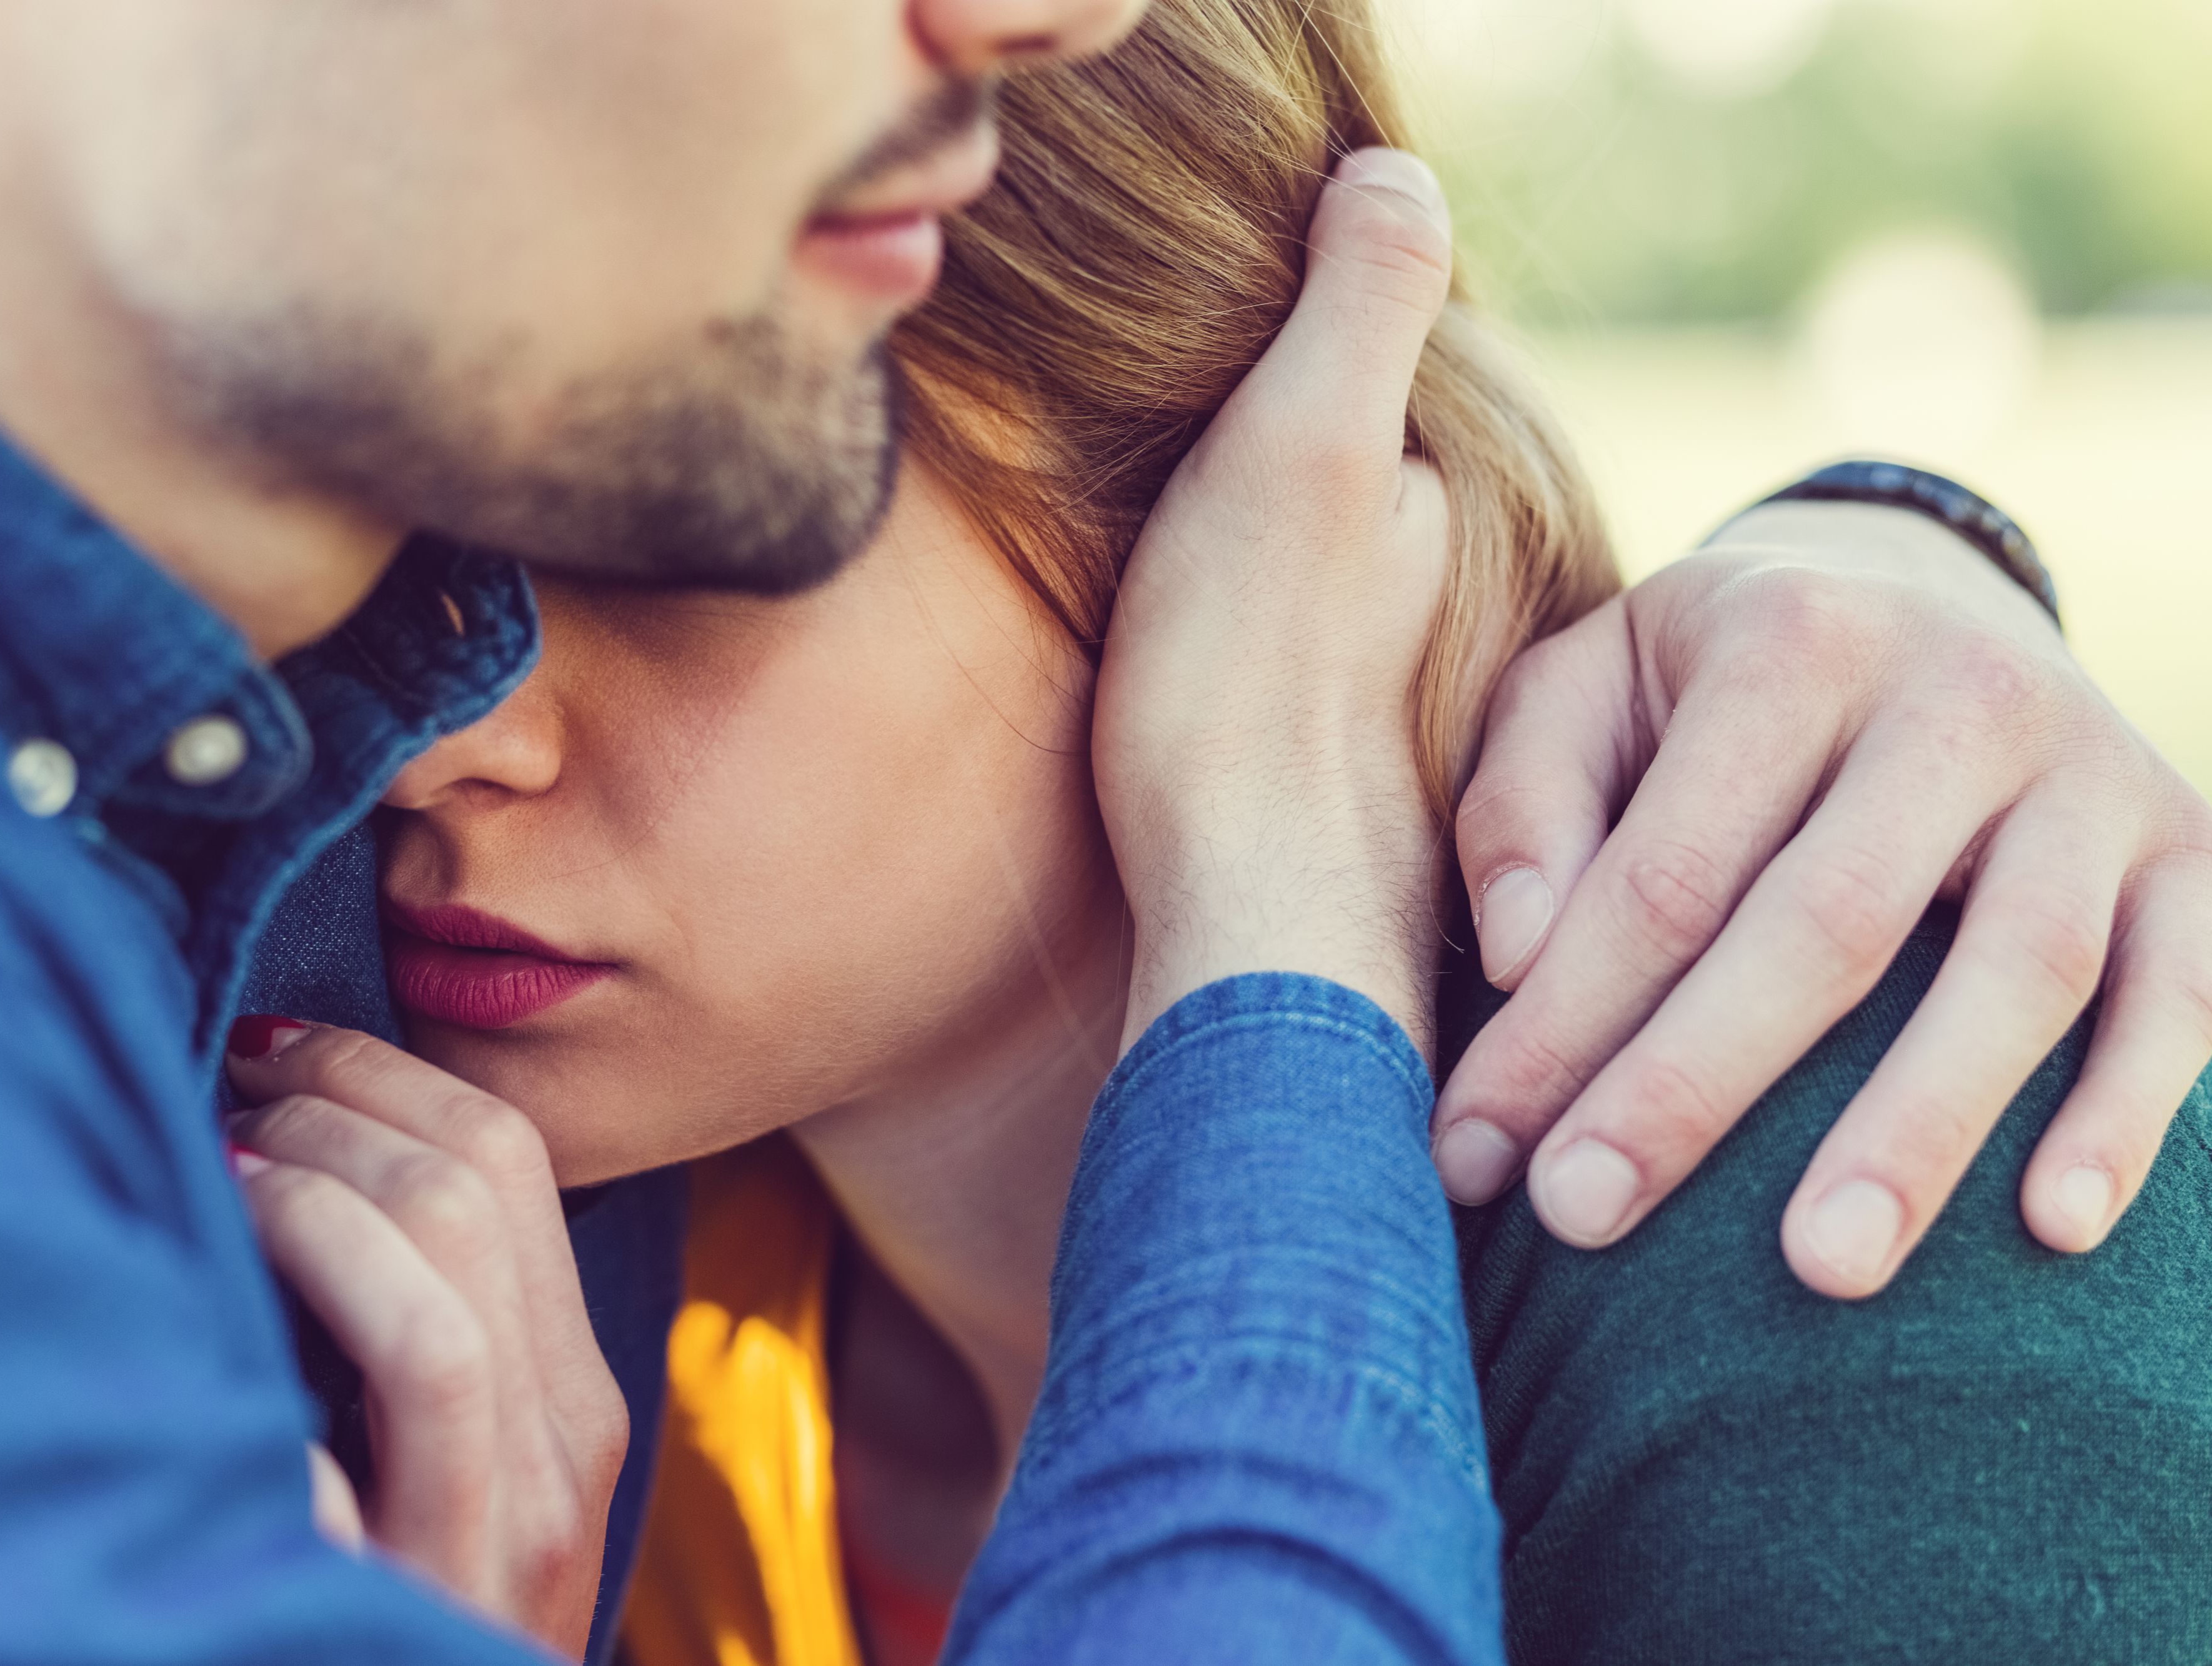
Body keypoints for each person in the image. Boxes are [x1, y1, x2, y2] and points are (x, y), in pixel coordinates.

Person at [224, 2, 2212, 1662]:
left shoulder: (1849, 1204)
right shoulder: (527, 1288)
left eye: (667, 535)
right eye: (351, 520)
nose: (423, 734)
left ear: (1223, 468)